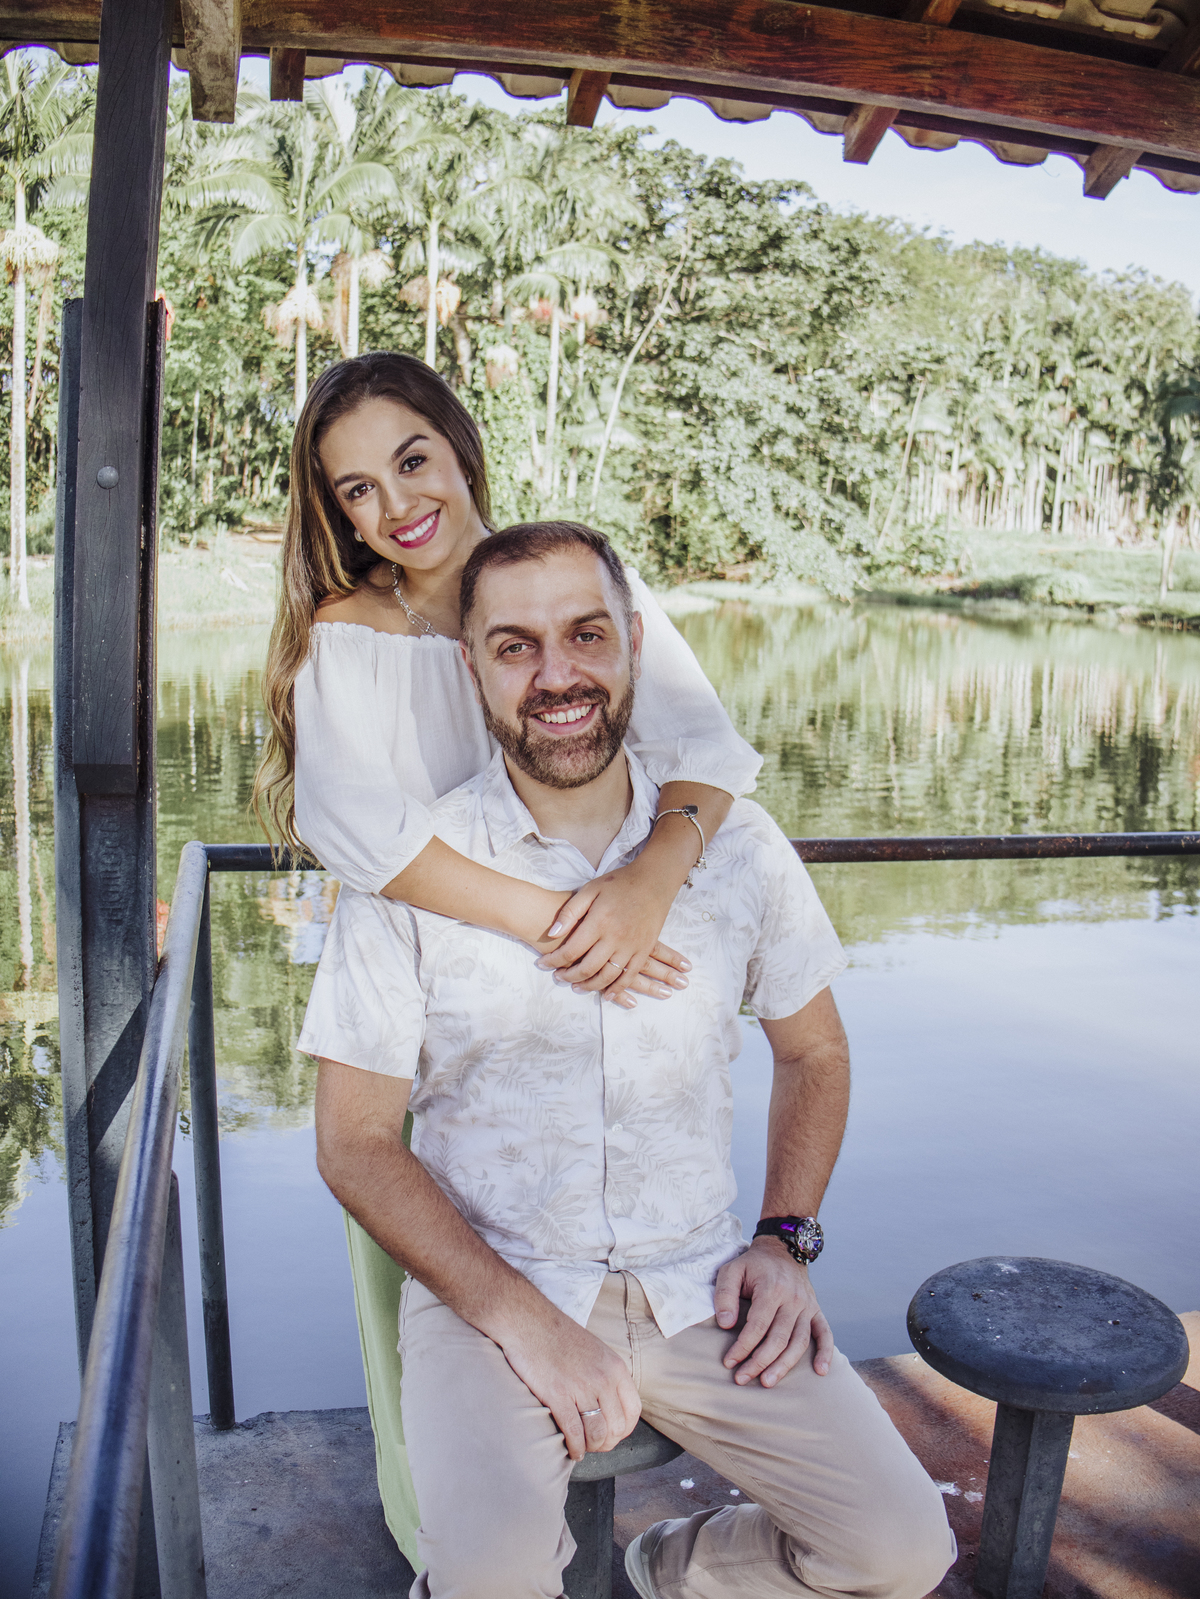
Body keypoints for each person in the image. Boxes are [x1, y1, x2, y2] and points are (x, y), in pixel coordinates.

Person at [304, 523, 956, 1599]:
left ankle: (669, 1570)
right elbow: (354, 1144)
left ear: (635, 644)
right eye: (515, 647)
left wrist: (786, 1241)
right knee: (488, 1583)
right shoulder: (409, 875)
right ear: (472, 668)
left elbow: (815, 1052)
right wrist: (525, 1323)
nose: (557, 676)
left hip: (700, 1282)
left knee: (900, 1549)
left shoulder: (737, 848)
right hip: (492, 1288)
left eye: (586, 635)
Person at [252, 353, 764, 1561]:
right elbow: (359, 834)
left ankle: (617, 1538)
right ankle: (448, 1548)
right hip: (436, 1011)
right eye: (357, 491)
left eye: (410, 462)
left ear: (460, 446)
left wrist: (648, 880)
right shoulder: (351, 636)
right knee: (428, 1294)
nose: (394, 507)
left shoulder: (568, 584)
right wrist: (555, 921)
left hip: (599, 1003)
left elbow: (709, 751)